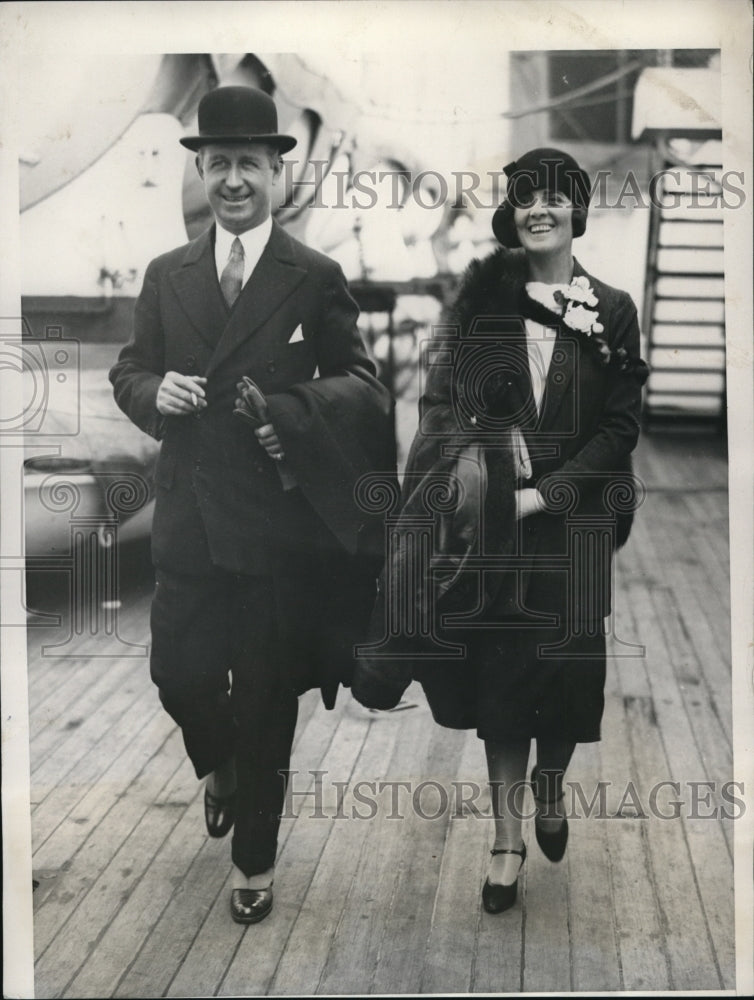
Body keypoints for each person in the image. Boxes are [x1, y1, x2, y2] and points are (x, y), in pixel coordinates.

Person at [109, 86, 395, 925]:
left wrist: (295, 423)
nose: (233, 180)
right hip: (190, 523)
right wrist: (153, 389)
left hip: (277, 530)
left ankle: (255, 862)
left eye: (250, 165)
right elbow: (129, 372)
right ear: (202, 171)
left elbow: (365, 389)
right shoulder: (169, 275)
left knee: (269, 696)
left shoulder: (315, 276)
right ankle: (220, 769)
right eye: (219, 163)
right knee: (179, 676)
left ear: (278, 171)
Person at [353, 147, 647, 913]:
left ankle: (553, 789)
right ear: (512, 215)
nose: (538, 209)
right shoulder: (487, 302)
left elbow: (620, 427)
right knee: (507, 682)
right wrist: (486, 432)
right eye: (524, 200)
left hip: (575, 526)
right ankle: (506, 840)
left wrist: (545, 494)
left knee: (568, 681)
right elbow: (441, 402)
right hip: (498, 535)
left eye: (552, 197)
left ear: (576, 211)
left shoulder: (612, 308)